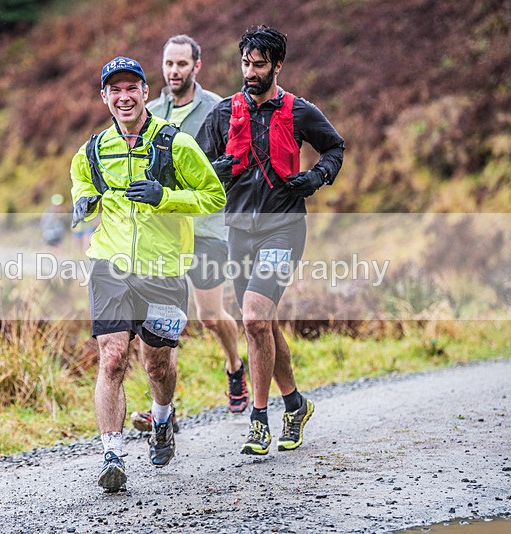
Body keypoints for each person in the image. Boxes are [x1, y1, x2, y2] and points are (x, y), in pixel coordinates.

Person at [70, 56, 225, 491]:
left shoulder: (175, 144)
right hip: (110, 265)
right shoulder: (91, 151)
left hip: (163, 267)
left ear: (144, 92)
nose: (124, 97)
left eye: (131, 88)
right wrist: (83, 203)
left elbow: (213, 196)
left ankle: (161, 418)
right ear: (104, 97)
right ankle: (112, 456)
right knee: (112, 356)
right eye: (114, 90)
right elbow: (82, 186)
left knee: (157, 365)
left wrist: (165, 197)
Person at [197, 26, 345, 455]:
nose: (250, 72)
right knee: (261, 324)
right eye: (245, 63)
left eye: (259, 65)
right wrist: (214, 172)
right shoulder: (223, 113)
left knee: (254, 319)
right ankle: (295, 404)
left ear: (277, 65)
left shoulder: (300, 111)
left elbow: (334, 147)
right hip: (239, 231)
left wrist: (317, 176)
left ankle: (258, 420)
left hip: (284, 228)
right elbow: (196, 164)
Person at [129, 35, 247, 433]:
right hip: (163, 230)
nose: (174, 71)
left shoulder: (217, 108)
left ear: (197, 65)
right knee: (163, 322)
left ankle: (234, 365)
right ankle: (164, 409)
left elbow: (235, 162)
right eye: (169, 63)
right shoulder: (151, 111)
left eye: (182, 64)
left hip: (206, 227)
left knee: (209, 316)